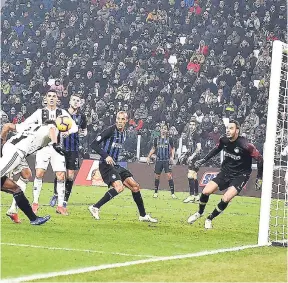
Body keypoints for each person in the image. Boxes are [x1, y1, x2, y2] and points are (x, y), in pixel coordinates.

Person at [188, 120, 263, 229]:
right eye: (227, 128)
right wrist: (203, 160)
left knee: (226, 198)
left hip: (241, 175)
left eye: (231, 128)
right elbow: (216, 150)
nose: (228, 130)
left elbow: (260, 159)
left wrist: (259, 178)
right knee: (205, 191)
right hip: (226, 172)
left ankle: (209, 219)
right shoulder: (223, 140)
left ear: (237, 130)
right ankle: (199, 212)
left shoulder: (246, 145)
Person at [89, 111, 157, 223]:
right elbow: (94, 144)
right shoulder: (110, 130)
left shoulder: (124, 133)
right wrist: (106, 156)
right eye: (118, 119)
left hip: (115, 165)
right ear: (116, 120)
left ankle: (143, 215)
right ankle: (95, 207)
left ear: (126, 121)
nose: (120, 121)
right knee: (119, 188)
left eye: (122, 119)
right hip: (105, 165)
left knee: (135, 187)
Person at [21, 90, 78, 215]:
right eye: (49, 96)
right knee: (40, 173)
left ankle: (61, 206)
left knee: (61, 175)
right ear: (45, 98)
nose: (52, 98)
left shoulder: (62, 113)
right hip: (43, 147)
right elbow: (26, 124)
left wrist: (67, 132)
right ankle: (35, 203)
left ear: (57, 99)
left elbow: (75, 127)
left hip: (57, 148)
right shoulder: (39, 113)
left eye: (54, 96)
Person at [0, 120, 65, 223]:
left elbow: (7, 126)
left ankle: (33, 219)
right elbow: (52, 129)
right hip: (17, 152)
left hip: (11, 148)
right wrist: (55, 144)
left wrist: (2, 142)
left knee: (22, 180)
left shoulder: (32, 126)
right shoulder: (51, 127)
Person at [50, 94, 87, 215]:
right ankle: (56, 194)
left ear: (80, 104)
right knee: (60, 172)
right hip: (61, 147)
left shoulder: (82, 117)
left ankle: (65, 201)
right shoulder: (62, 114)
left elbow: (84, 131)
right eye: (74, 100)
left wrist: (81, 132)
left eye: (78, 101)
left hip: (74, 149)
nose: (76, 102)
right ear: (70, 101)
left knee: (70, 176)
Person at [146, 125, 177, 199]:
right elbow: (153, 148)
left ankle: (172, 193)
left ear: (167, 130)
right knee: (157, 176)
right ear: (160, 130)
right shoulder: (157, 139)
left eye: (165, 129)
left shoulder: (170, 139)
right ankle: (156, 192)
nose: (163, 130)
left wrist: (172, 157)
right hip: (159, 160)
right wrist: (148, 156)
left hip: (167, 160)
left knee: (169, 176)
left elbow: (173, 148)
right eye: (162, 129)